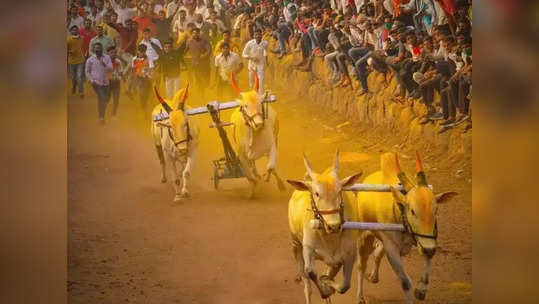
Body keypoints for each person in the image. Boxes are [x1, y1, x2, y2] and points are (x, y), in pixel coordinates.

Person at [85, 42, 113, 124]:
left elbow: (111, 68)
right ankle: (101, 117)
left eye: (99, 48)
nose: (98, 50)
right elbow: (87, 71)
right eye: (96, 48)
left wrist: (104, 64)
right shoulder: (90, 60)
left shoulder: (107, 57)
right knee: (101, 98)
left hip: (106, 82)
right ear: (94, 49)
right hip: (96, 83)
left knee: (105, 99)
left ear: (102, 49)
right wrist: (91, 80)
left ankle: (101, 114)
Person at [242, 28, 268, 94]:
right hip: (252, 65)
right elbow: (243, 54)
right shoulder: (249, 43)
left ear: (261, 35)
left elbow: (266, 52)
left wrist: (266, 61)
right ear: (254, 36)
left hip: (261, 64)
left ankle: (260, 98)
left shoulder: (265, 43)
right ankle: (253, 95)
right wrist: (251, 57)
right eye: (256, 35)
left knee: (261, 81)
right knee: (251, 82)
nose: (258, 36)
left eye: (259, 34)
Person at [185, 27, 211, 93]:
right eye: (193, 33)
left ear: (199, 34)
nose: (195, 34)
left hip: (204, 64)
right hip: (195, 64)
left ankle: (205, 92)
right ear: (191, 34)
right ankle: (199, 94)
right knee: (197, 79)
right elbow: (185, 51)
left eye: (197, 33)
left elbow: (209, 50)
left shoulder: (204, 41)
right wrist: (185, 57)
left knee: (205, 79)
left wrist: (204, 55)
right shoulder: (189, 41)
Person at [131, 43, 154, 116]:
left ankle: (145, 108)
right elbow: (133, 70)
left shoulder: (149, 59)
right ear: (138, 51)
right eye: (140, 51)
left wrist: (152, 77)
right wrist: (133, 83)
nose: (141, 53)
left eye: (143, 51)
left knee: (147, 95)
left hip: (147, 79)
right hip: (139, 78)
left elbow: (152, 69)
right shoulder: (134, 59)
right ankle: (143, 110)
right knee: (141, 94)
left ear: (145, 51)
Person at [67, 25, 85, 98]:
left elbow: (84, 46)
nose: (75, 31)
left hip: (80, 60)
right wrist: (70, 51)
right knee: (73, 78)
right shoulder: (68, 39)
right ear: (71, 31)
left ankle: (81, 92)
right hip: (71, 61)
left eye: (76, 30)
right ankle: (74, 86)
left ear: (78, 31)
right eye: (73, 30)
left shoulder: (82, 38)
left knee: (79, 77)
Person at [107, 46, 123, 117]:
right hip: (107, 83)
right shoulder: (105, 62)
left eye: (114, 53)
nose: (113, 54)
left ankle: (114, 113)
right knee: (107, 98)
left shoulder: (118, 62)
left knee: (116, 99)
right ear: (108, 53)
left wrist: (120, 77)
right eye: (111, 53)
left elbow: (121, 71)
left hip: (116, 82)